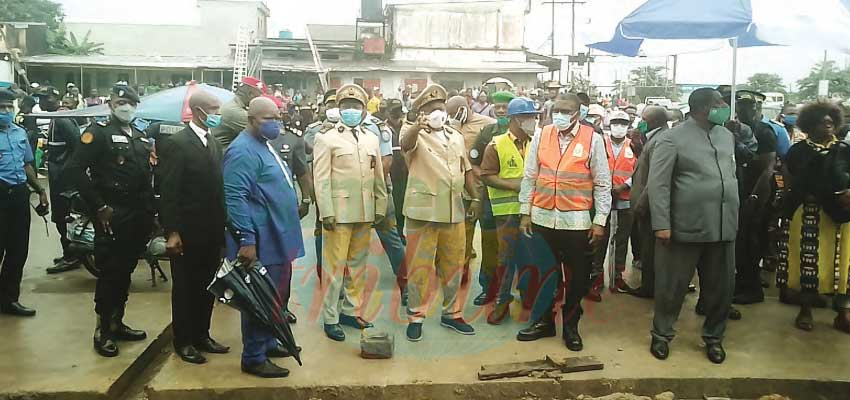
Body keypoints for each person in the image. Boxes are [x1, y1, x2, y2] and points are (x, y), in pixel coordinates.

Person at [647, 88, 739, 364]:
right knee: (671, 287)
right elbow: (658, 184)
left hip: (722, 226)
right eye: (720, 104)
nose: (725, 108)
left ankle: (714, 338)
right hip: (683, 226)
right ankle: (661, 335)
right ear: (702, 108)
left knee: (721, 288)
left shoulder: (727, 136)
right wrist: (661, 223)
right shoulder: (672, 139)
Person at [517, 93, 611, 351]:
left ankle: (571, 326)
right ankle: (545, 322)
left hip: (577, 222)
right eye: (556, 109)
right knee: (545, 273)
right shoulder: (541, 135)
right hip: (543, 217)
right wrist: (525, 212)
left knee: (578, 277)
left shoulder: (593, 139)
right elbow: (530, 176)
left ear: (578, 112)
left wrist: (600, 221)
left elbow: (603, 183)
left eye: (566, 110)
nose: (560, 114)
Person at [65, 85, 153, 357]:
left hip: (137, 214)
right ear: (111, 104)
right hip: (112, 212)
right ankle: (102, 329)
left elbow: (145, 176)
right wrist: (99, 206)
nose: (125, 106)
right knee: (110, 272)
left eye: (130, 102)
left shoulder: (140, 135)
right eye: (120, 101)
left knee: (125, 270)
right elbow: (75, 169)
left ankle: (117, 322)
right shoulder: (98, 132)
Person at [223, 97, 305, 378]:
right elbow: (235, 198)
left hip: (277, 237)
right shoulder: (242, 151)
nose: (274, 124)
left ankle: (269, 342)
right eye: (267, 119)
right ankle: (254, 356)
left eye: (277, 118)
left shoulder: (263, 145)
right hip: (261, 240)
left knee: (276, 295)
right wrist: (246, 239)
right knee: (260, 297)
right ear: (250, 119)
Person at [400, 84, 479, 342]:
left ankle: (452, 313)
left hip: (453, 209)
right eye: (431, 109)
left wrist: (475, 197)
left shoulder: (455, 136)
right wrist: (416, 126)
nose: (438, 113)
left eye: (441, 108)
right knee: (419, 267)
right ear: (421, 112)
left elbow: (465, 168)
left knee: (454, 264)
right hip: (422, 212)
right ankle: (416, 316)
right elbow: (405, 143)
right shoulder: (413, 133)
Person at [157, 89, 230, 364]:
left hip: (210, 230)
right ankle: (184, 340)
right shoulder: (178, 143)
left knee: (208, 285)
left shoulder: (212, 142)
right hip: (187, 232)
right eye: (213, 110)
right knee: (185, 288)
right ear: (198, 111)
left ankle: (202, 335)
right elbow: (169, 190)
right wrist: (172, 231)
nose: (217, 115)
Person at [313, 84, 387, 341]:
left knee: (358, 266)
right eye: (346, 107)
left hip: (365, 210)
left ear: (364, 110)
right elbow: (320, 178)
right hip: (338, 212)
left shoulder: (371, 138)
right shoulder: (326, 138)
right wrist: (326, 212)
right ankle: (331, 317)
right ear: (338, 109)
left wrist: (380, 205)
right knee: (334, 269)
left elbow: (378, 175)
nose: (351, 111)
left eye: (356, 107)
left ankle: (351, 310)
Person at [780, 100, 850, 334]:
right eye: (823, 121)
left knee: (842, 263)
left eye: (831, 121)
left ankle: (843, 313)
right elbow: (791, 181)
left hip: (841, 216)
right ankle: (805, 310)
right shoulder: (798, 151)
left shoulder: (844, 150)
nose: (828, 125)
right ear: (810, 125)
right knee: (807, 262)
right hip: (809, 213)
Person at [478, 97, 549, 325]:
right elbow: (486, 175)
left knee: (532, 256)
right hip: (506, 212)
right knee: (505, 258)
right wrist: (514, 185)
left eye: (533, 117)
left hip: (532, 211)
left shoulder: (537, 143)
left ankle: (528, 296)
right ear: (514, 119)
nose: (532, 121)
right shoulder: (495, 145)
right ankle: (502, 301)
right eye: (528, 117)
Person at [446, 95, 499, 304]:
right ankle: (462, 272)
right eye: (449, 114)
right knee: (462, 237)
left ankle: (488, 284)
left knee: (489, 239)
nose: (453, 117)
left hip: (485, 190)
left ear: (467, 107)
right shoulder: (448, 126)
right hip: (461, 189)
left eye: (456, 112)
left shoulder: (487, 125)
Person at [0, 88, 48, 317]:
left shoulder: (20, 133)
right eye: (2, 107)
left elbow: (27, 164)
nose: (6, 111)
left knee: (18, 250)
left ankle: (9, 300)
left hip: (19, 194)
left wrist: (40, 190)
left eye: (10, 107)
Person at [728, 91, 777, 305]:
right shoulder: (732, 129)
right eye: (740, 105)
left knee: (752, 241)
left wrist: (756, 196)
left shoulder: (764, 132)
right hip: (738, 191)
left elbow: (767, 168)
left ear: (758, 108)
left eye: (749, 106)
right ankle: (743, 281)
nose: (743, 110)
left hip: (757, 192)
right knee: (740, 242)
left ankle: (752, 288)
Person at [466, 91, 514, 305]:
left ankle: (516, 288)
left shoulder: (525, 132)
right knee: (490, 243)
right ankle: (489, 288)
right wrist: (485, 177)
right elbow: (473, 161)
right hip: (490, 198)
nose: (501, 110)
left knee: (517, 245)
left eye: (505, 106)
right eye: (498, 106)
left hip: (517, 199)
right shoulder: (487, 132)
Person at [37, 87, 83, 274]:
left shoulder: (62, 119)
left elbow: (77, 148)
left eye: (42, 99)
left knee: (63, 217)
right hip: (58, 176)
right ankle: (70, 253)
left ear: (52, 99)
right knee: (61, 217)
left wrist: (67, 173)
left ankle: (72, 255)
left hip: (63, 180)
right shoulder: (57, 118)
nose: (39, 103)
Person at [626, 106, 669, 298]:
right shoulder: (652, 138)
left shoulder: (662, 140)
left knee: (651, 250)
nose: (639, 123)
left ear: (653, 121)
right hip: (645, 201)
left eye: (643, 119)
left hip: (650, 204)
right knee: (647, 247)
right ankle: (649, 285)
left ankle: (650, 288)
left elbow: (655, 178)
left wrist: (641, 204)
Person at [593, 111, 637, 294]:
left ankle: (617, 277)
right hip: (602, 199)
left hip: (625, 199)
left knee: (621, 240)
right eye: (616, 123)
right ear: (609, 125)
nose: (619, 127)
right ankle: (595, 277)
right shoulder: (600, 144)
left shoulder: (634, 145)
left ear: (628, 126)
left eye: (623, 123)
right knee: (599, 239)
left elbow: (641, 169)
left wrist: (624, 186)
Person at [212, 76, 264, 147]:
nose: (261, 99)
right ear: (250, 94)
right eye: (259, 96)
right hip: (224, 154)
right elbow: (261, 133)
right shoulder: (235, 111)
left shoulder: (235, 104)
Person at [386, 99, 408, 237]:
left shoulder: (406, 127)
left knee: (401, 204)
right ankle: (390, 234)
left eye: (398, 111)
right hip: (387, 170)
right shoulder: (382, 128)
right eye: (393, 111)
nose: (396, 114)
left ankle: (399, 232)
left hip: (403, 171)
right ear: (388, 112)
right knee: (388, 206)